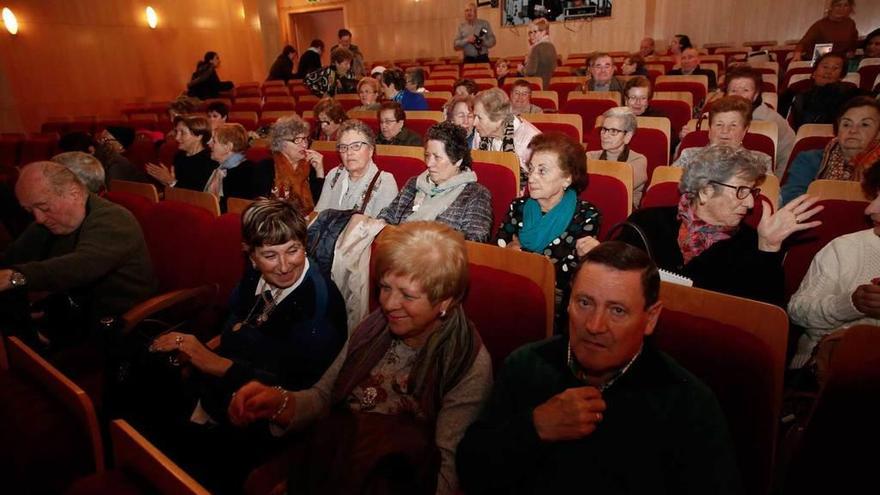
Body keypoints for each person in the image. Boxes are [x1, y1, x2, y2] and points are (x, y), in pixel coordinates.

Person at [456, 241, 742, 494]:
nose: (594, 326)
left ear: (651, 318)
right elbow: (472, 470)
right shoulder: (526, 365)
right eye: (584, 303)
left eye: (617, 310)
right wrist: (534, 428)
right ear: (567, 303)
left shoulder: (689, 403)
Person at [228, 221, 492, 495]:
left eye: (407, 295)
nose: (388, 304)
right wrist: (278, 401)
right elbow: (322, 398)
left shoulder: (467, 363)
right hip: (338, 456)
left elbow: (447, 476)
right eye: (385, 287)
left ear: (445, 301)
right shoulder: (373, 327)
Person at [138, 198, 348, 493]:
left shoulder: (319, 308)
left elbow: (291, 387)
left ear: (305, 245)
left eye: (293, 250)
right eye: (270, 255)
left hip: (261, 416)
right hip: (224, 381)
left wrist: (208, 359)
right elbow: (235, 316)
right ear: (251, 256)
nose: (285, 266)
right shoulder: (254, 274)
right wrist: (207, 349)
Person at [618, 145, 822, 306]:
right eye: (742, 190)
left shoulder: (754, 243)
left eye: (752, 192)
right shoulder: (644, 223)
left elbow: (765, 322)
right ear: (706, 191)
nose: (750, 203)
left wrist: (769, 249)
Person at [1, 162, 156, 348]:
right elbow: (11, 258)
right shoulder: (47, 222)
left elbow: (81, 266)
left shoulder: (114, 219)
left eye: (44, 207)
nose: (38, 218)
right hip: (71, 307)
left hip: (117, 323)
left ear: (74, 193)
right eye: (29, 210)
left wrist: (16, 277)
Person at [496, 133, 601, 329]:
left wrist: (520, 255)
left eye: (542, 171)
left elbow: (569, 276)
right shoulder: (517, 207)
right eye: (531, 169)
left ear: (566, 179)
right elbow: (498, 254)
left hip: (558, 308)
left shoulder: (586, 215)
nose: (532, 177)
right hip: (510, 292)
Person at [788, 164, 880, 369]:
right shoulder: (845, 248)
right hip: (823, 370)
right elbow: (798, 312)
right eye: (876, 196)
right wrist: (851, 304)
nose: (870, 209)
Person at [378, 122, 493, 242]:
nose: (429, 163)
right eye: (427, 155)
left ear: (458, 161)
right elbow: (388, 214)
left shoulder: (476, 194)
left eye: (437, 157)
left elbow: (475, 240)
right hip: (398, 250)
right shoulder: (414, 184)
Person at [781, 96, 880, 205]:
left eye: (864, 124)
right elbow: (790, 201)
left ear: (878, 133)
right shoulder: (809, 160)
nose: (853, 130)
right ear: (837, 129)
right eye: (846, 124)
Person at [314, 119, 398, 217]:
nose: (349, 152)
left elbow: (381, 229)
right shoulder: (334, 175)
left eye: (356, 146)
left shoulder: (385, 182)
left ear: (370, 150)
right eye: (344, 147)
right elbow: (319, 214)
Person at [724, 64, 796, 176]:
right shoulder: (718, 116)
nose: (738, 95)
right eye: (733, 90)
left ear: (756, 94)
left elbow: (787, 158)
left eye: (745, 90)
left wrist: (776, 185)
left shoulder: (771, 120)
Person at [675, 95, 774, 175]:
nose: (725, 131)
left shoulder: (760, 162)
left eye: (733, 125)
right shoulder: (689, 156)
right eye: (719, 124)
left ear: (744, 130)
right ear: (709, 129)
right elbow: (670, 188)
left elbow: (771, 197)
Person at [472, 87, 542, 189]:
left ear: (499, 118)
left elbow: (539, 183)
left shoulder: (529, 141)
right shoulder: (480, 133)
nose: (474, 123)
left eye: (479, 118)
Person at [255, 115, 325, 213]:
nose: (304, 144)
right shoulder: (266, 167)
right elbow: (261, 207)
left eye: (305, 139)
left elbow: (321, 205)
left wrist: (320, 171)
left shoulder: (310, 166)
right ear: (281, 143)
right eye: (297, 140)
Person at [778, 52, 861, 131]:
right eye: (825, 67)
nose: (828, 72)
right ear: (815, 70)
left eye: (835, 68)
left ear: (842, 76)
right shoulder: (798, 87)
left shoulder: (848, 92)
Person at [587, 107, 649, 207]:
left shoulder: (638, 161)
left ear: (627, 136)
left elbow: (614, 190)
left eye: (613, 131)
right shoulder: (590, 157)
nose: (605, 135)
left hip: (622, 211)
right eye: (604, 129)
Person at [146, 116, 217, 192]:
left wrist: (171, 181)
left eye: (182, 133)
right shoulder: (179, 156)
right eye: (177, 132)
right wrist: (166, 182)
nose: (177, 137)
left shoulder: (210, 159)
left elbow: (198, 194)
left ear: (199, 136)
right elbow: (176, 188)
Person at [205, 123, 261, 211]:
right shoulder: (216, 166)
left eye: (214, 141)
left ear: (228, 147)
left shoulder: (246, 172)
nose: (209, 144)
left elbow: (236, 208)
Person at [792, 0, 859, 62]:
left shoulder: (850, 23)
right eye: (838, 5)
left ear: (850, 8)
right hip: (818, 61)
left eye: (846, 5)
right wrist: (797, 53)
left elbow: (854, 41)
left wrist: (851, 51)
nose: (842, 8)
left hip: (840, 61)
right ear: (832, 7)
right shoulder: (820, 24)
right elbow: (803, 42)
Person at [517, 18, 557, 90]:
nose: (532, 35)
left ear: (543, 32)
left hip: (537, 87)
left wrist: (522, 69)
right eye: (530, 32)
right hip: (548, 87)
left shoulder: (536, 48)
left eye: (535, 32)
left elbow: (530, 71)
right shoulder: (552, 47)